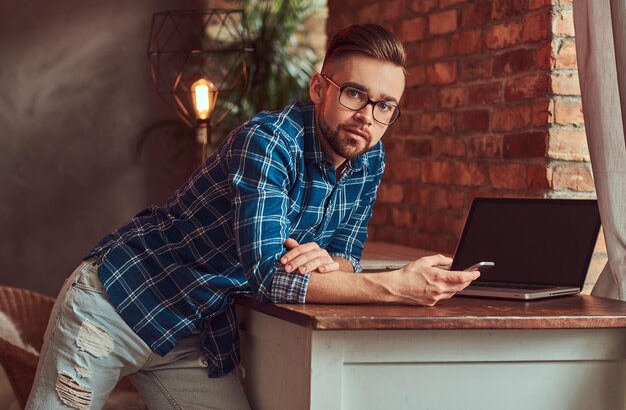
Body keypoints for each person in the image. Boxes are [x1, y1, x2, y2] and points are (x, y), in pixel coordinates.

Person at [26, 24, 480, 410]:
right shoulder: (268, 142)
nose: (367, 117)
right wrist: (396, 285)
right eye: (355, 94)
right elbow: (267, 276)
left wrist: (328, 260)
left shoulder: (369, 157)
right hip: (119, 304)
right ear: (320, 88)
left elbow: (348, 254)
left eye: (385, 106)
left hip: (194, 334)